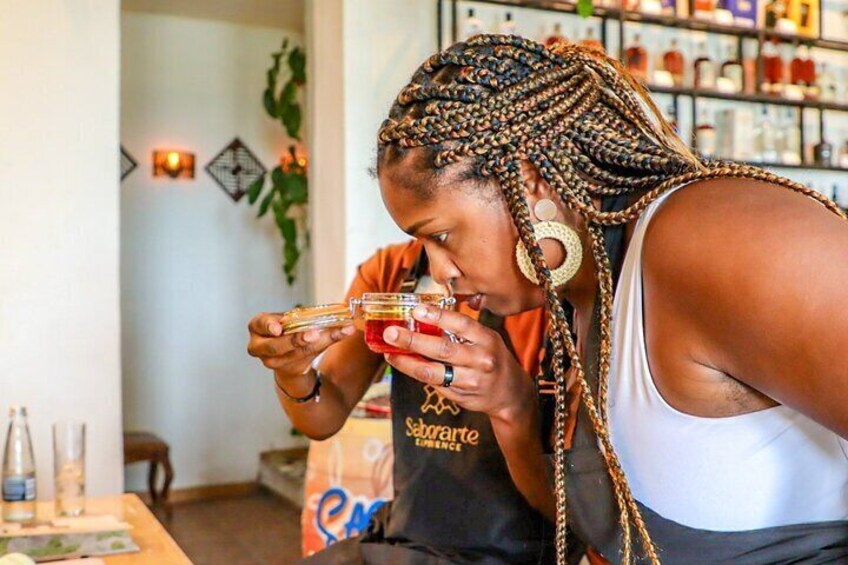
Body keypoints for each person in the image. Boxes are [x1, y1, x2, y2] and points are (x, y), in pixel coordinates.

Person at [370, 35, 848, 564]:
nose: (440, 272)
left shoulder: (707, 240)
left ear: (529, 181)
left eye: (440, 236)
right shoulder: (585, 296)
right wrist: (511, 407)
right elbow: (607, 535)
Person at [247, 239, 568, 564]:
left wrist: (512, 407)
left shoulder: (548, 294)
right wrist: (292, 372)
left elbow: (572, 514)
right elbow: (323, 416)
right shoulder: (393, 271)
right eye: (419, 236)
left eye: (443, 234)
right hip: (411, 541)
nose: (437, 270)